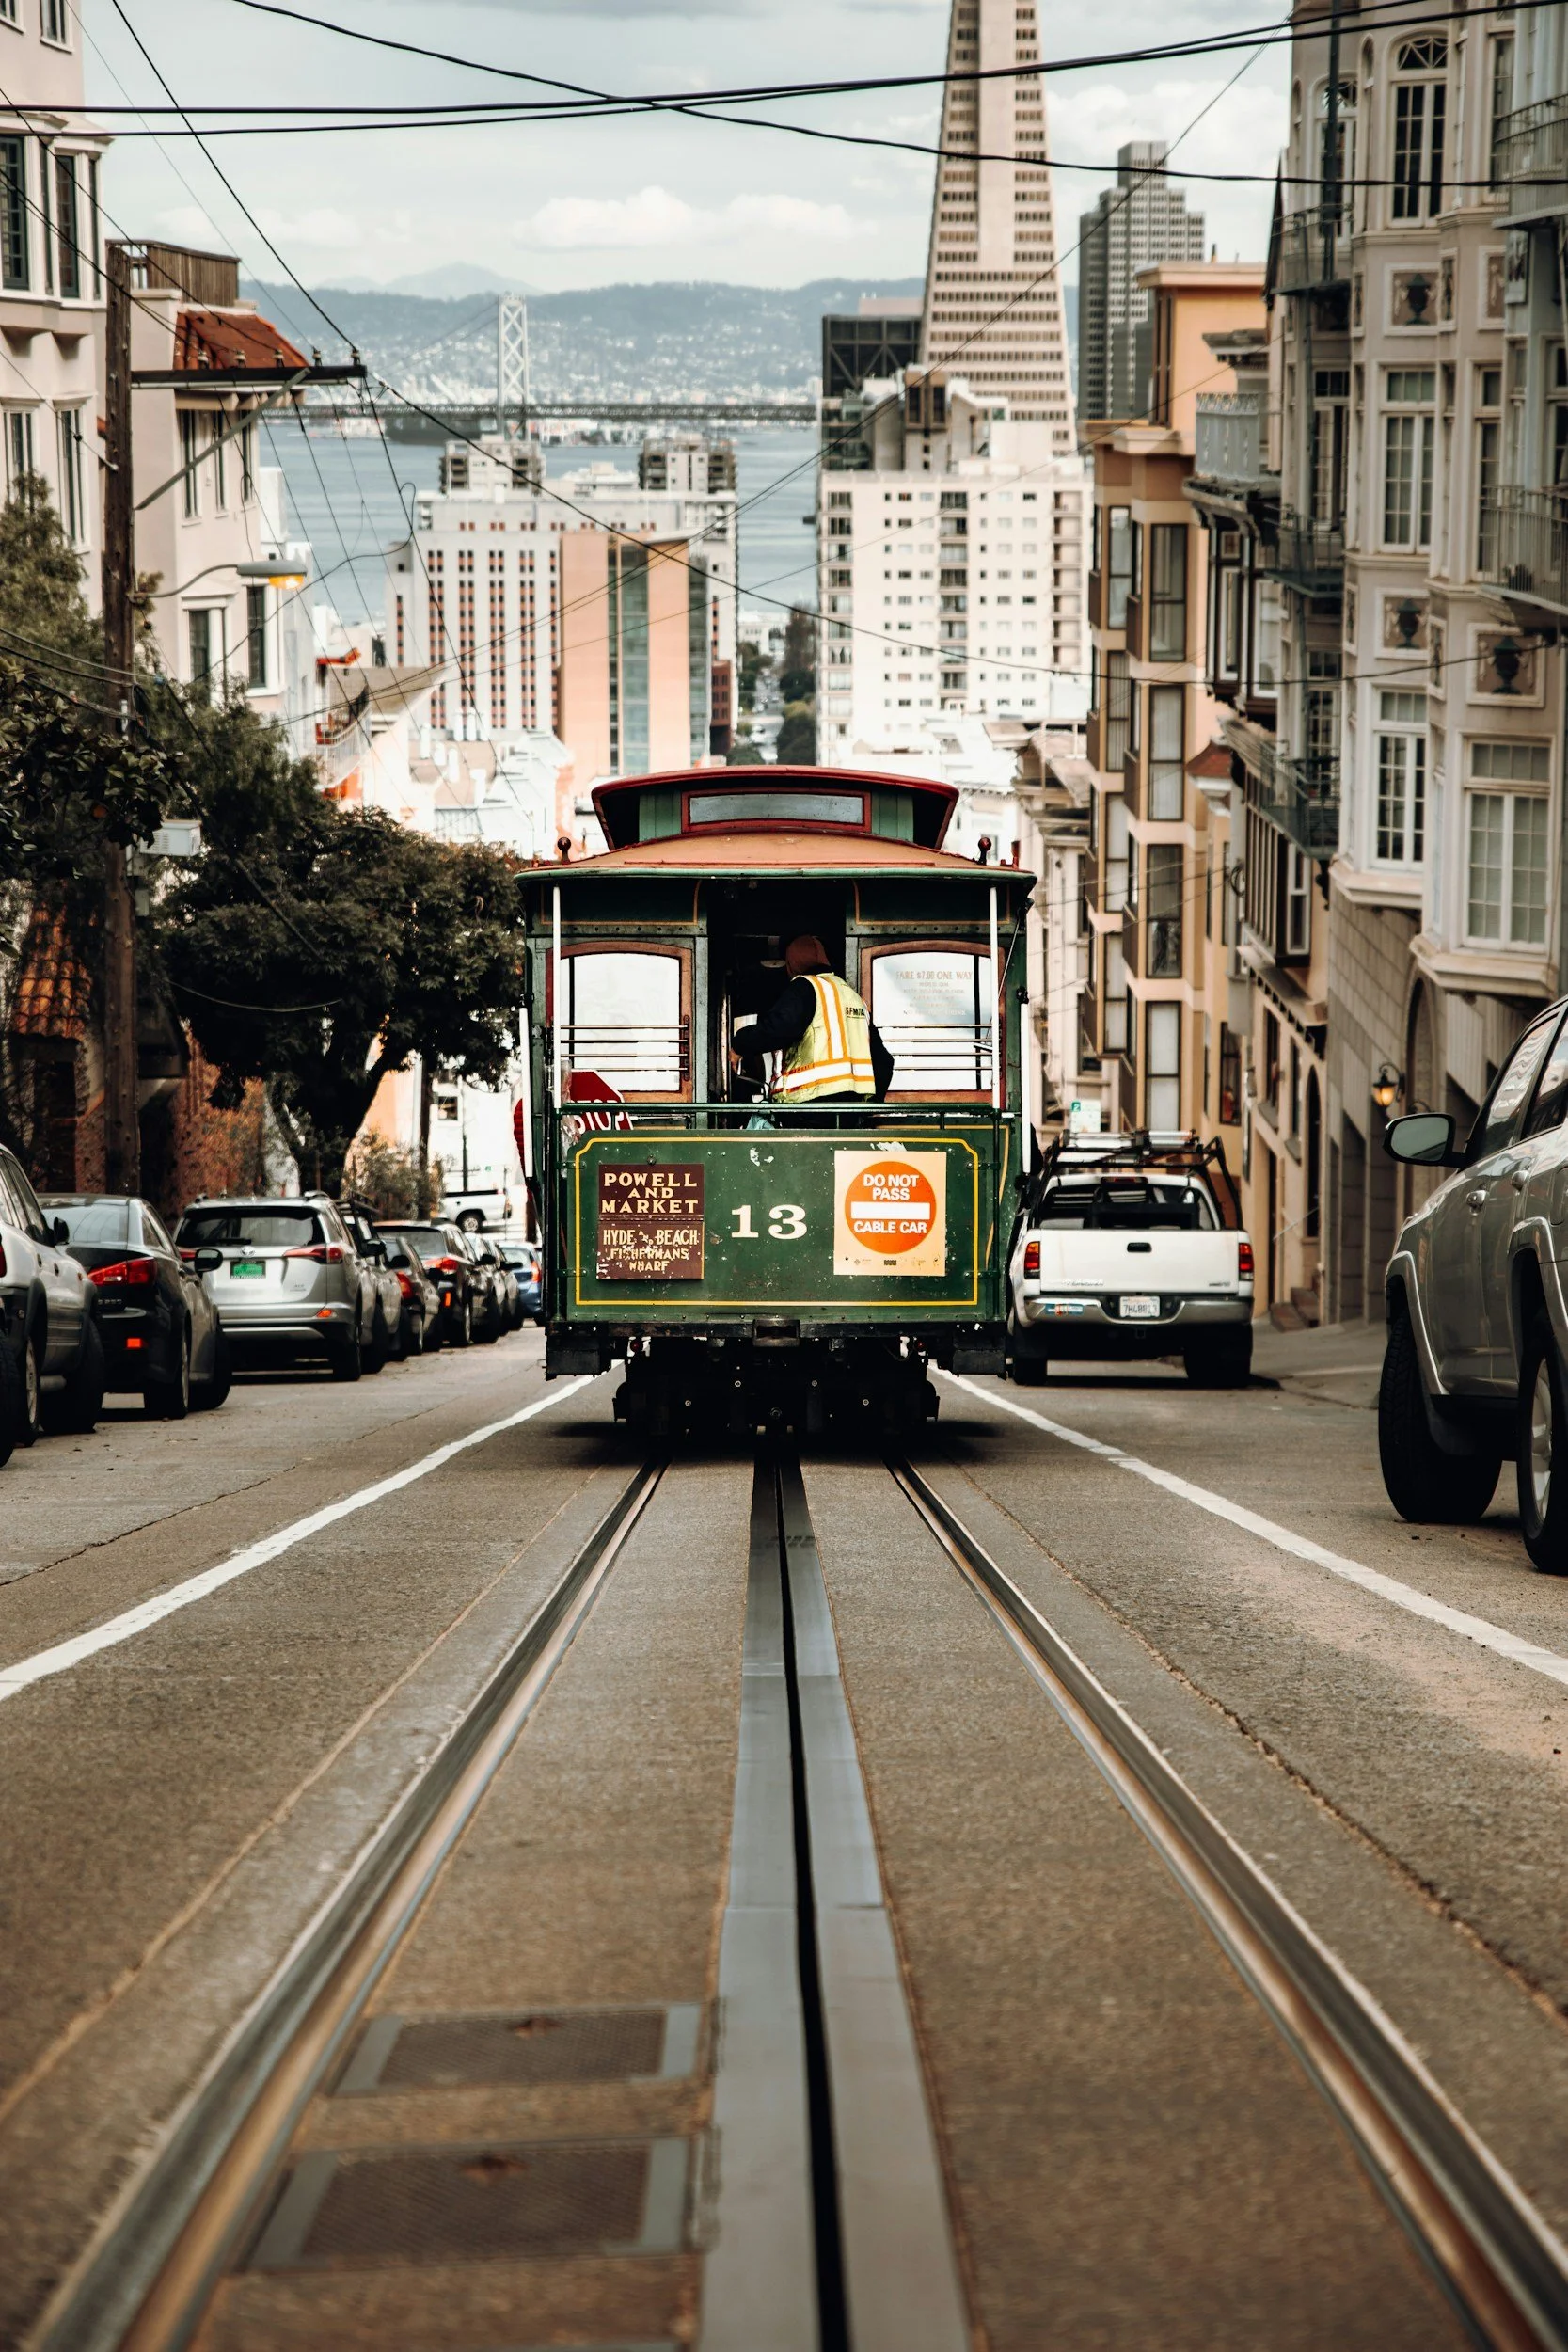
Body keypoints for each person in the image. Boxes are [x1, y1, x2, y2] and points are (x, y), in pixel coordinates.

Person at [730, 934, 894, 1104]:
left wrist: (739, 1045)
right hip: (850, 1113)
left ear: (792, 965)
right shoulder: (854, 998)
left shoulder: (805, 987)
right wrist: (869, 1108)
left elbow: (779, 1029)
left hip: (811, 1107)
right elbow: (884, 1062)